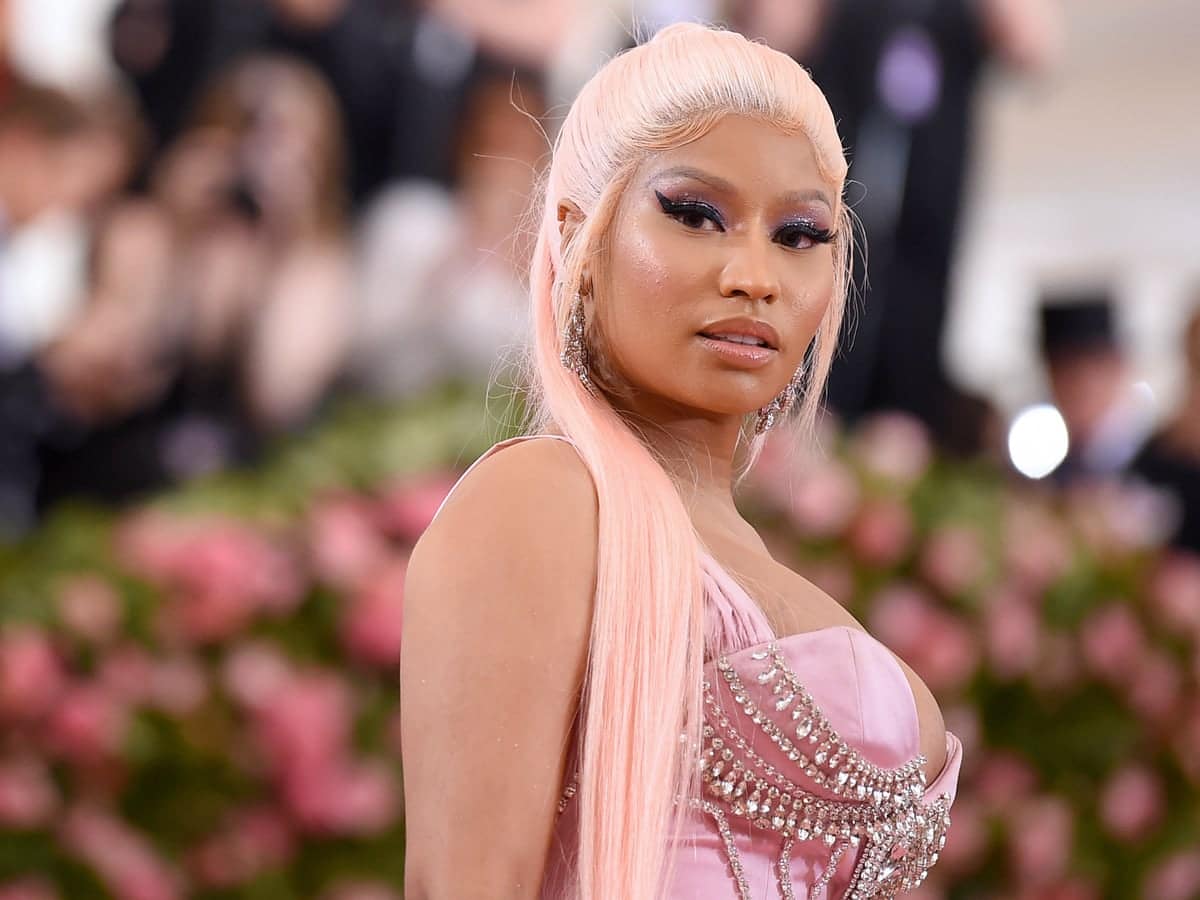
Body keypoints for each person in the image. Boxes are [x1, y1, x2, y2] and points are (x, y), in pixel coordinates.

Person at [400, 23, 963, 899]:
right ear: (578, 240)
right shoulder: (540, 504)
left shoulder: (768, 575)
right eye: (696, 215)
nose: (754, 275)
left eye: (800, 234)